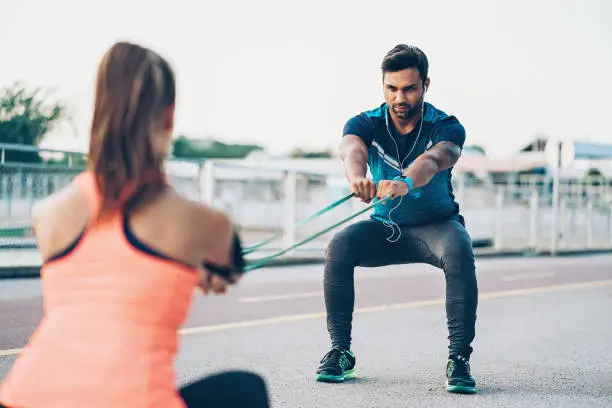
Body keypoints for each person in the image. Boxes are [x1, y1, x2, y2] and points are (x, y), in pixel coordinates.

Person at [0, 42, 270, 408]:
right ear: (169, 117)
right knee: (244, 392)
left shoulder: (46, 214)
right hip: (128, 400)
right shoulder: (203, 222)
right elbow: (226, 270)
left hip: (24, 396)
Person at [315, 44, 479, 394]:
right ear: (383, 86)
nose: (399, 97)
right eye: (392, 88)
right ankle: (340, 351)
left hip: (436, 227)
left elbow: (436, 159)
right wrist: (357, 178)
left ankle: (459, 360)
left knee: (459, 249)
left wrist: (405, 182)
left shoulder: (446, 126)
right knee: (339, 245)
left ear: (426, 85)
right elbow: (352, 149)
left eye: (409, 88)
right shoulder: (366, 122)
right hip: (385, 228)